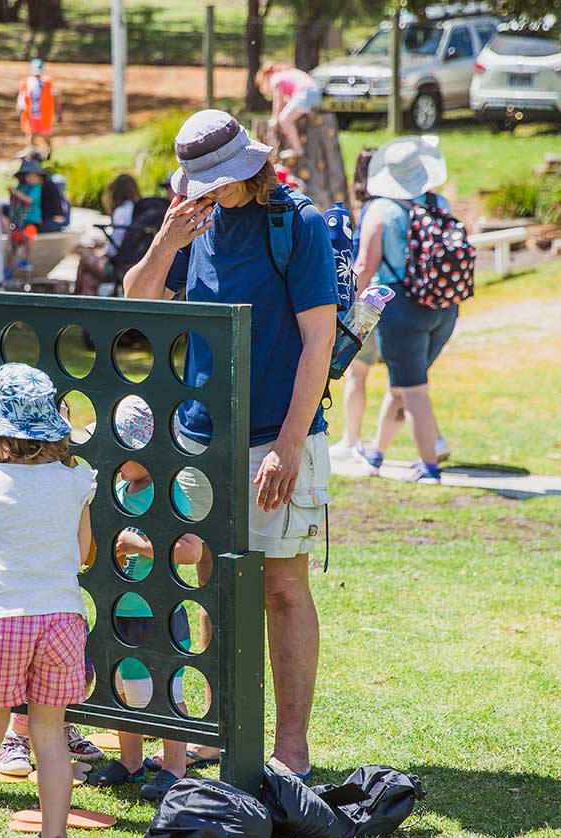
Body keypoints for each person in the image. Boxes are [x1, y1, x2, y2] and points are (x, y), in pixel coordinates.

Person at [124, 110, 340, 783]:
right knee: (212, 585)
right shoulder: (194, 219)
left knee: (281, 588)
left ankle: (292, 748)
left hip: (279, 435)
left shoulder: (297, 223)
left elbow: (320, 341)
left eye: (221, 181)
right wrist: (164, 239)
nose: (213, 192)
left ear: (252, 165)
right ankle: (219, 731)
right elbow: (136, 304)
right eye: (202, 183)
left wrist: (290, 443)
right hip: (199, 439)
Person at [0, 363, 96, 838]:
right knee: (50, 734)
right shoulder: (76, 481)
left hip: (1, 618)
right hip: (62, 619)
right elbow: (83, 552)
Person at [82, 396, 212, 799]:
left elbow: (191, 550)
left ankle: (175, 766)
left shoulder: (169, 492)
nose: (118, 462)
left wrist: (141, 546)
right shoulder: (118, 487)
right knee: (124, 690)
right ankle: (131, 761)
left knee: (163, 691)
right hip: (118, 610)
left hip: (157, 613)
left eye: (126, 453)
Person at [351, 136, 459, 484]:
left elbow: (365, 267)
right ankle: (376, 453)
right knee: (402, 384)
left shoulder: (380, 210)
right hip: (444, 306)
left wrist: (347, 304)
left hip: (400, 311)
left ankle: (429, 467)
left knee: (414, 391)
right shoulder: (438, 202)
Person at [328, 147, 384, 468]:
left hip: (370, 303)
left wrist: (350, 309)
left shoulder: (370, 212)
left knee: (356, 377)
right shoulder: (402, 207)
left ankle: (352, 439)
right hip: (398, 301)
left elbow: (362, 265)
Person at [76, 174, 140, 295]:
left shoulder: (122, 211)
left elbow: (114, 247)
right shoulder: (141, 210)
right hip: (138, 264)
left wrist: (102, 254)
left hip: (122, 268)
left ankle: (72, 302)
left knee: (85, 259)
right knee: (88, 279)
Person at [256, 62, 324, 160]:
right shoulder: (288, 73)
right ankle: (310, 112)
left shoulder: (275, 78)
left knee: (285, 120)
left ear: (267, 74)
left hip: (304, 94)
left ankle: (297, 149)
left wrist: (275, 119)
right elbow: (287, 101)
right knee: (291, 113)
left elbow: (278, 102)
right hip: (315, 93)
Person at [6, 158, 45, 276]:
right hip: (20, 221)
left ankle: (28, 260)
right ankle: (9, 268)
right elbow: (14, 200)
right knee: (14, 242)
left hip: (31, 220)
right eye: (28, 176)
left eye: (33, 176)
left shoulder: (36, 188)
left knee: (29, 235)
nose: (31, 179)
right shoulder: (22, 187)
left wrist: (15, 193)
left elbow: (28, 200)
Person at [17, 58, 59, 159]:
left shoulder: (48, 82)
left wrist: (59, 112)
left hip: (44, 115)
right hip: (31, 115)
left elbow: (55, 98)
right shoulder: (27, 82)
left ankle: (49, 150)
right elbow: (21, 97)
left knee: (45, 134)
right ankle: (32, 154)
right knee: (30, 134)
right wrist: (20, 108)